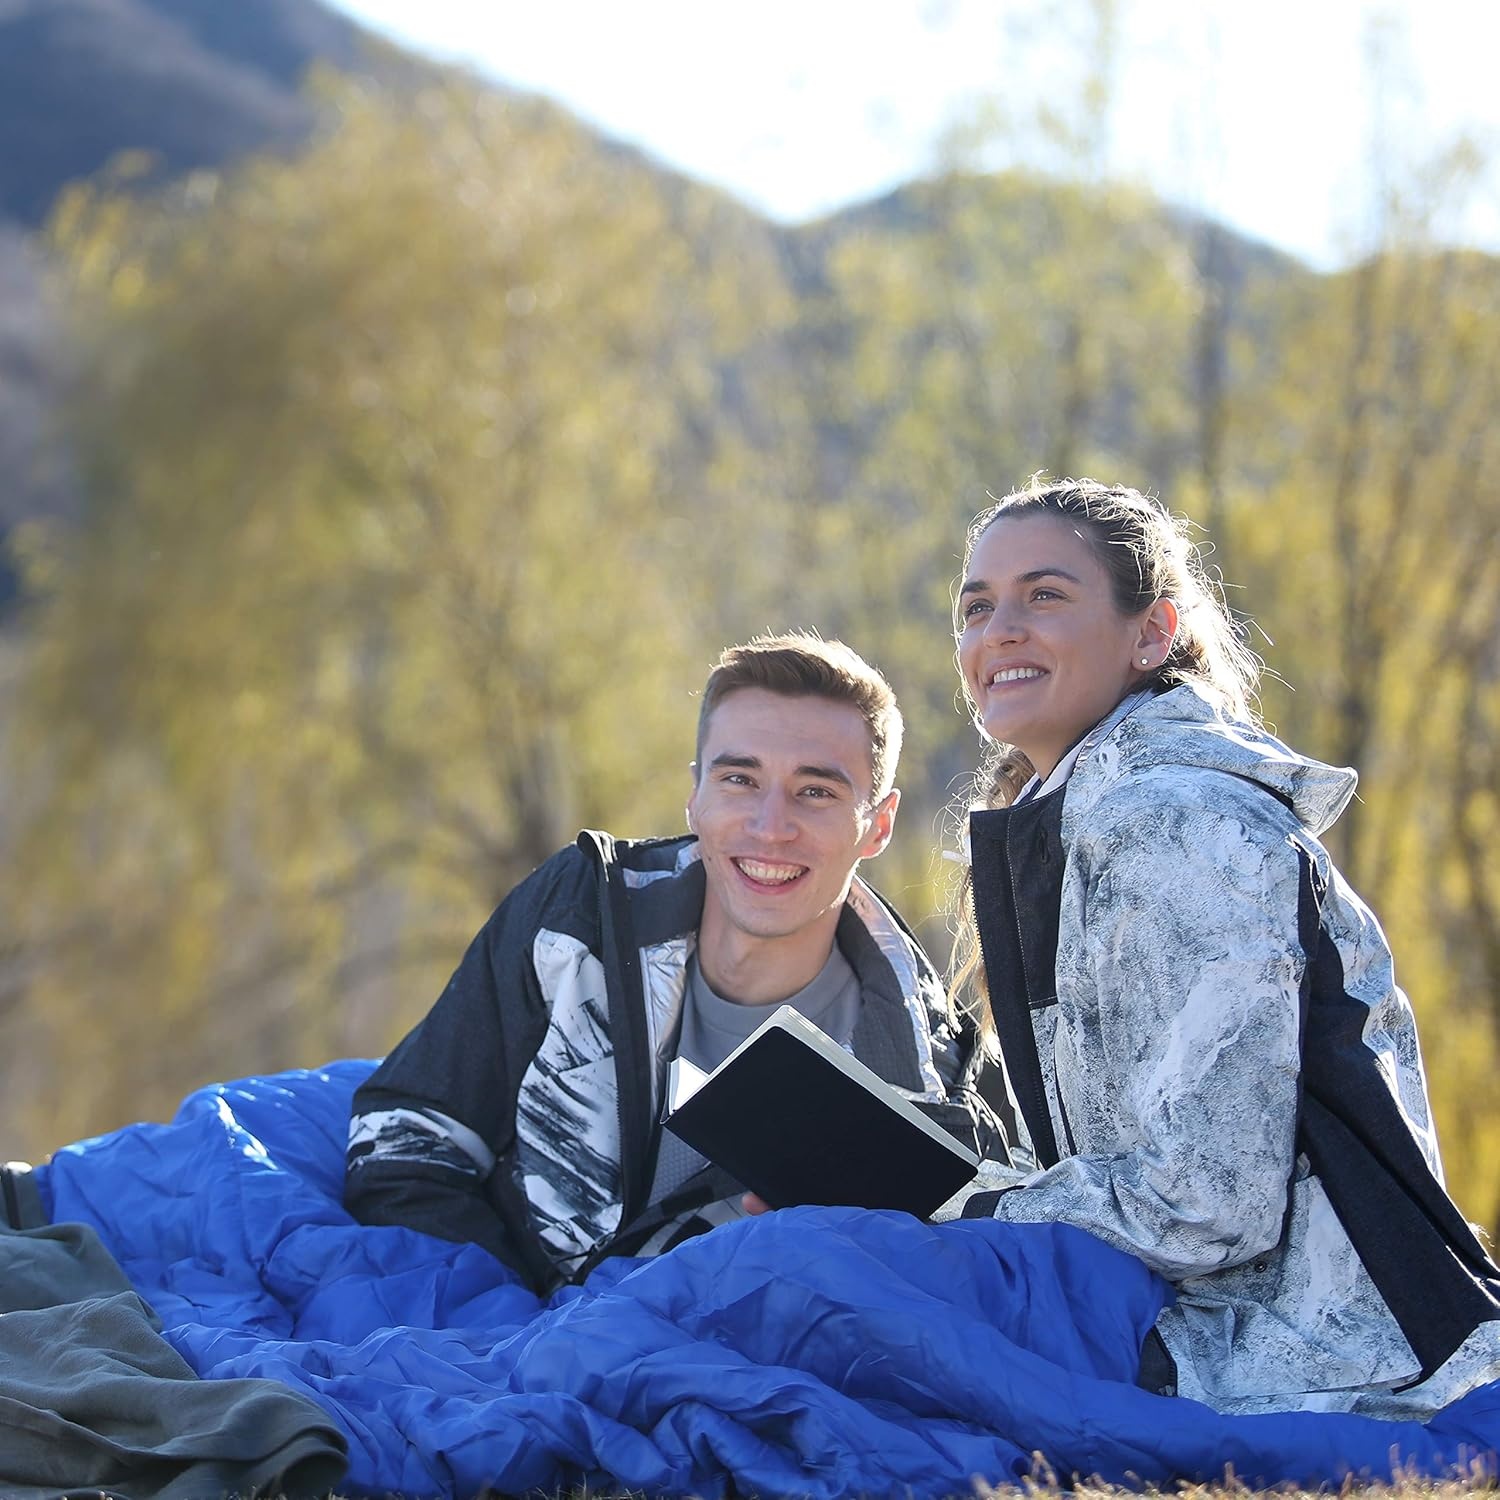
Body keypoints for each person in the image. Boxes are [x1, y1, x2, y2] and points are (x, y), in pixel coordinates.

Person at [942, 476, 1500, 1417]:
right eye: (977, 607)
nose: (1000, 629)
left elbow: (1208, 1200)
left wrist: (976, 1215)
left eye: (1045, 596)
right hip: (1197, 1331)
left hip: (1320, 1363)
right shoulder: (1088, 823)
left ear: (1152, 634)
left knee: (799, 1299)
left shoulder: (1180, 822)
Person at [345, 631, 1003, 1293]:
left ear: (878, 825)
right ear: (696, 795)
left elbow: (918, 1295)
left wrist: (810, 1262)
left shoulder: (922, 1078)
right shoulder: (580, 917)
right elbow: (404, 1143)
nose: (770, 826)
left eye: (816, 793)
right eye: (739, 779)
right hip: (495, 1341)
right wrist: (512, 1337)